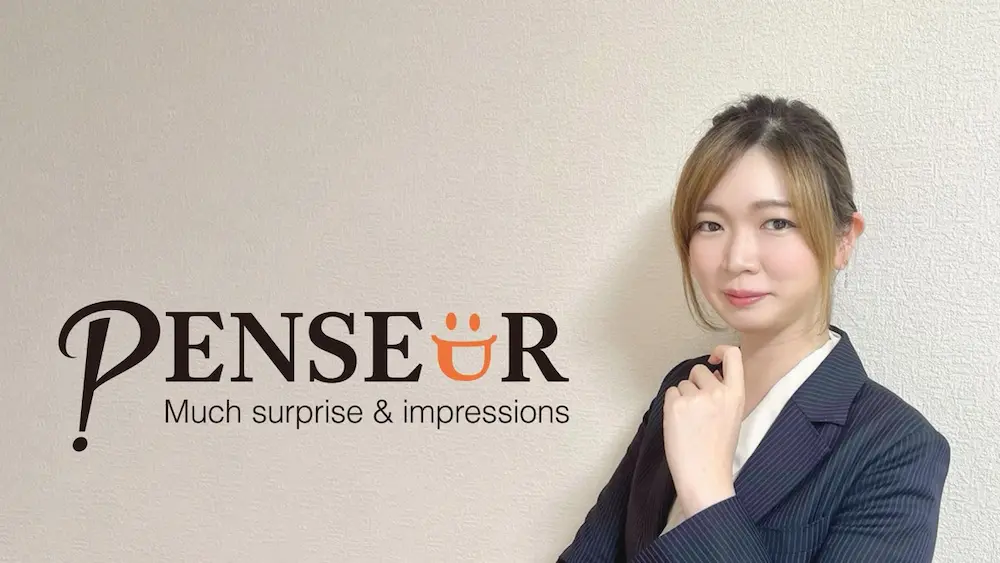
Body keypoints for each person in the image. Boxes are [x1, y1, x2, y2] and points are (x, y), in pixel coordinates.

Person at [557, 94, 951, 563]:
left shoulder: (897, 446)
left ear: (843, 239)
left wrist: (708, 492)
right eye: (710, 225)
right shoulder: (684, 387)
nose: (737, 259)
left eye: (776, 222)